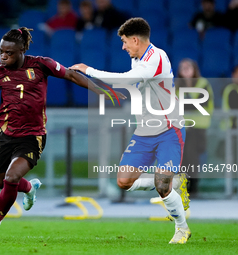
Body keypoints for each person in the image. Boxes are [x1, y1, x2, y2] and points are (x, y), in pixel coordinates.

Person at [0, 27, 125, 240]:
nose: (3, 56)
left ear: (21, 51)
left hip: (33, 136)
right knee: (2, 183)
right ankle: (29, 188)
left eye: (8, 53)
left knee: (11, 177)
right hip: (7, 135)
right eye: (1, 51)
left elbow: (71, 74)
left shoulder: (40, 64)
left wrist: (100, 91)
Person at [70, 18, 191, 244]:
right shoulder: (138, 58)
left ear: (136, 40)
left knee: (161, 185)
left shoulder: (157, 57)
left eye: (125, 42)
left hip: (169, 129)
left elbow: (127, 79)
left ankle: (182, 228)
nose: (123, 47)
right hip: (145, 130)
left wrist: (90, 71)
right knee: (124, 181)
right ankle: (174, 182)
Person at [175, 58, 214, 198]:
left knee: (194, 158)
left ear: (194, 69)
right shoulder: (177, 86)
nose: (185, 69)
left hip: (199, 127)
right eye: (182, 67)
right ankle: (184, 187)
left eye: (188, 67)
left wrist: (186, 104)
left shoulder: (203, 83)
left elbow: (201, 104)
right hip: (183, 127)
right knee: (182, 158)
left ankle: (194, 187)